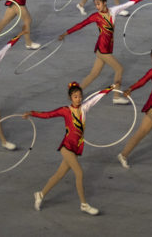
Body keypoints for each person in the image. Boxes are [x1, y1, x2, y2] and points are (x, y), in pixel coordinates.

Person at [25, 83, 111, 215]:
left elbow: (97, 97)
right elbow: (48, 115)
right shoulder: (65, 110)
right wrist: (32, 113)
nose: (78, 99)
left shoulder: (84, 108)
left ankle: (40, 194)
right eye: (75, 96)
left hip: (76, 148)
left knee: (59, 174)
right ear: (70, 97)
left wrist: (111, 87)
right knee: (79, 173)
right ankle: (84, 204)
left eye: (80, 96)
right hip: (67, 147)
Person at [60, 0, 152, 102]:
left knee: (94, 74)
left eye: (98, 3)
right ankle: (116, 97)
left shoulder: (113, 11)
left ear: (105, 3)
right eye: (95, 4)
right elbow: (81, 24)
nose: (97, 6)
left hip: (106, 48)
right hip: (103, 49)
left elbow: (129, 3)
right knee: (119, 69)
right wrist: (66, 33)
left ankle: (75, 93)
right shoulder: (96, 16)